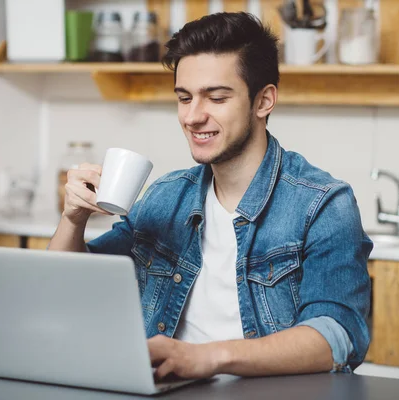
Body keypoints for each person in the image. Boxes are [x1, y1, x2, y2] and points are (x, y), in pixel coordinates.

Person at [49, 12, 372, 380]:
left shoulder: (323, 204)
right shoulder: (165, 197)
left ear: (263, 101)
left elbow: (337, 335)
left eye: (215, 98)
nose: (192, 116)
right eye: (184, 98)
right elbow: (71, 291)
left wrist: (208, 358)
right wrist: (72, 219)